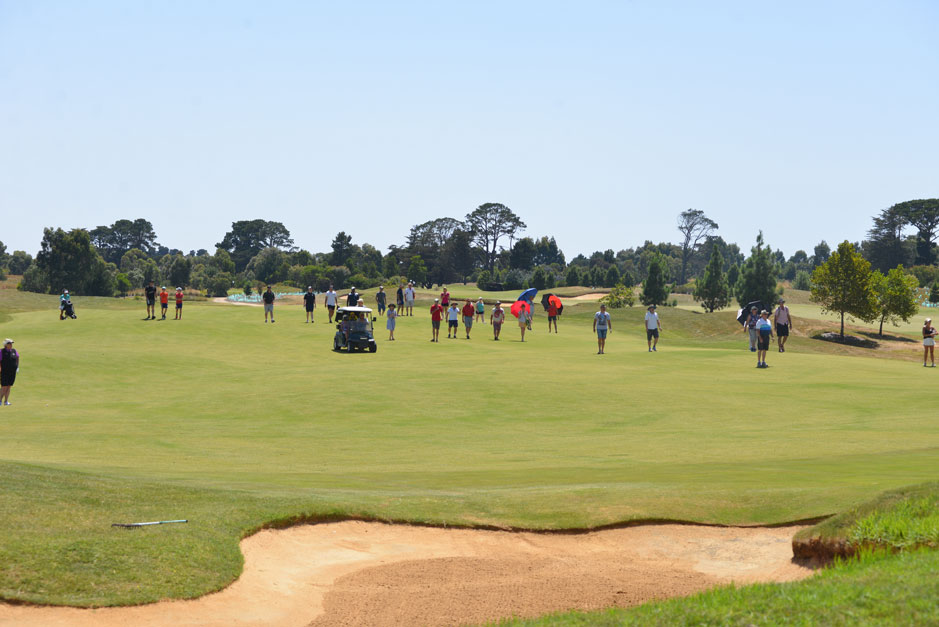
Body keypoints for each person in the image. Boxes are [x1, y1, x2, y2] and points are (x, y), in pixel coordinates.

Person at [0, 339, 18, 406]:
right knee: (4, 387)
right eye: (9, 343)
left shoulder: (14, 351)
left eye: (11, 343)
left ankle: (6, 401)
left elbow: (17, 357)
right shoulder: (1, 351)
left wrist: (17, 367)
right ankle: (0, 401)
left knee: (9, 386)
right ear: (5, 345)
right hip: (4, 372)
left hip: (12, 372)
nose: (11, 345)